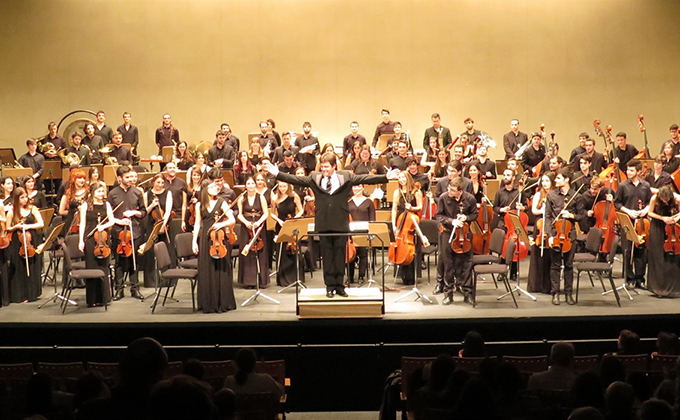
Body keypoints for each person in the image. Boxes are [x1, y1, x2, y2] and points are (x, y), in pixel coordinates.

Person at [265, 153, 397, 297]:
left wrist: (385, 178)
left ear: (334, 166)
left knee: (340, 255)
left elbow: (365, 178)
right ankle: (329, 286)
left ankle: (339, 286)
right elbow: (296, 179)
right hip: (323, 222)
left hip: (340, 222)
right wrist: (277, 173)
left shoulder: (346, 176)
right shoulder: (314, 177)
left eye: (327, 167)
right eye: (322, 167)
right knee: (327, 255)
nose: (324, 170)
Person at [191, 179, 237, 313]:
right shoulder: (199, 205)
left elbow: (232, 219)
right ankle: (208, 303)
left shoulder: (221, 202)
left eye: (216, 186)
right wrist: (194, 241)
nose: (216, 188)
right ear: (205, 189)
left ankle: (222, 302)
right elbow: (197, 224)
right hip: (206, 239)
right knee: (207, 269)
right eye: (212, 186)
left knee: (221, 269)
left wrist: (221, 224)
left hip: (219, 238)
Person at [435, 177, 478, 305]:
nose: (449, 191)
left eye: (453, 190)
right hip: (448, 234)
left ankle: (467, 293)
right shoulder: (443, 198)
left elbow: (475, 215)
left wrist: (466, 217)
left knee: (466, 264)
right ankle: (448, 294)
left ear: (460, 191)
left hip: (464, 234)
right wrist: (452, 221)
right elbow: (438, 216)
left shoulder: (470, 198)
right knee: (448, 264)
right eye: (449, 188)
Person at [546, 168, 584, 305]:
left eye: (558, 178)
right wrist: (549, 235)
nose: (555, 180)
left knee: (568, 265)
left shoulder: (577, 196)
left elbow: (581, 216)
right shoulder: (551, 195)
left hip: (570, 235)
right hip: (555, 234)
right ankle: (555, 293)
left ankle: (568, 293)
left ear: (567, 180)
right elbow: (548, 217)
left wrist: (571, 216)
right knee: (555, 265)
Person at [108, 166, 146, 301]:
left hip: (134, 231)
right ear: (119, 178)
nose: (130, 179)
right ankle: (119, 290)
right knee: (119, 262)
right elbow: (109, 215)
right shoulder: (112, 194)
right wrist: (119, 221)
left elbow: (143, 212)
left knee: (133, 262)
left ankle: (135, 289)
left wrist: (134, 213)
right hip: (118, 232)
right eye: (127, 177)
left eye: (131, 177)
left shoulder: (137, 192)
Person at [614, 159, 652, 289]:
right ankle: (629, 278)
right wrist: (629, 211)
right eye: (628, 170)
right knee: (627, 250)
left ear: (639, 171)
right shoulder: (622, 186)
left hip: (641, 222)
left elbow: (649, 202)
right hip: (628, 221)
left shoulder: (646, 185)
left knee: (641, 250)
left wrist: (645, 210)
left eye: (631, 170)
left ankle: (640, 279)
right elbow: (617, 203)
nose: (628, 172)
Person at [78, 183, 114, 307]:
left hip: (103, 240)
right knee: (91, 267)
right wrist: (81, 240)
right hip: (89, 240)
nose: (101, 194)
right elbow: (82, 224)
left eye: (102, 191)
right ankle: (92, 299)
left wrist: (103, 226)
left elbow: (112, 221)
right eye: (99, 191)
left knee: (103, 267)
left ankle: (104, 298)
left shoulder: (107, 204)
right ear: (92, 192)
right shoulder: (85, 206)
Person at [6, 187, 44, 303]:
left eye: (25, 197)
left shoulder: (33, 209)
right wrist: (16, 227)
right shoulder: (12, 212)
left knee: (32, 266)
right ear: (16, 199)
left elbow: (41, 223)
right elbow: (8, 228)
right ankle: (21, 294)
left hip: (31, 239)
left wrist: (28, 226)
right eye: (21, 198)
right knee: (20, 267)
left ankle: (32, 293)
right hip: (18, 241)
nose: (24, 200)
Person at [646, 184, 680, 297]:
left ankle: (674, 287)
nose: (665, 201)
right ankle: (658, 288)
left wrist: (676, 218)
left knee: (673, 256)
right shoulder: (654, 198)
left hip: (672, 227)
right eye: (663, 199)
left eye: (667, 199)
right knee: (658, 255)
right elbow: (650, 213)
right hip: (658, 226)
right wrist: (663, 218)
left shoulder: (676, 198)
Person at [237, 177, 270, 289]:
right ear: (245, 185)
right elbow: (239, 214)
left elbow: (266, 213)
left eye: (252, 183)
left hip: (259, 227)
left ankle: (260, 280)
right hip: (246, 227)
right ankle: (248, 281)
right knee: (247, 252)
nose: (250, 185)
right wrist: (246, 222)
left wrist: (259, 223)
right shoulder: (241, 198)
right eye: (248, 183)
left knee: (260, 251)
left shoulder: (261, 197)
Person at [392, 171, 423, 287]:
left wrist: (412, 207)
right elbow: (394, 209)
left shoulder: (416, 192)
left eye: (403, 177)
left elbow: (420, 207)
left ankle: (411, 275)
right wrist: (394, 225)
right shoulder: (397, 192)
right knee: (400, 247)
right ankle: (401, 274)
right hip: (400, 221)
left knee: (412, 249)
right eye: (399, 177)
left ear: (408, 178)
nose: (401, 179)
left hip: (411, 222)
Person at [270, 181, 304, 287]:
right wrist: (278, 220)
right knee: (282, 251)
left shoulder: (294, 196)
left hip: (292, 225)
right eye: (280, 186)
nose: (282, 188)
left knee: (294, 251)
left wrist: (294, 219)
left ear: (288, 186)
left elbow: (301, 210)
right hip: (280, 225)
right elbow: (272, 213)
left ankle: (295, 277)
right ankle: (283, 279)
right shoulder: (275, 198)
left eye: (284, 186)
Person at [528, 172, 555, 294]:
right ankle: (536, 285)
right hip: (540, 226)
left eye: (547, 181)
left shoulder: (555, 195)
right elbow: (533, 210)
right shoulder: (538, 194)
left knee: (550, 256)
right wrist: (542, 210)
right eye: (543, 181)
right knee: (538, 255)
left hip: (551, 225)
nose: (545, 183)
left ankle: (548, 286)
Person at [347, 184, 375, 284]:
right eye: (354, 186)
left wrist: (370, 232)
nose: (356, 188)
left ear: (363, 188)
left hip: (364, 232)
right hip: (351, 232)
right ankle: (350, 277)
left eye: (358, 186)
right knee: (350, 255)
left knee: (363, 254)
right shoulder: (348, 202)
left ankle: (361, 276)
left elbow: (372, 219)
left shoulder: (369, 202)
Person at [59, 169, 88, 236]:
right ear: (73, 179)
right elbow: (61, 211)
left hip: (86, 221)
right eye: (79, 178)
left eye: (84, 178)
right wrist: (73, 212)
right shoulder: (68, 194)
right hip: (71, 221)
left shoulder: (88, 193)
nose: (82, 180)